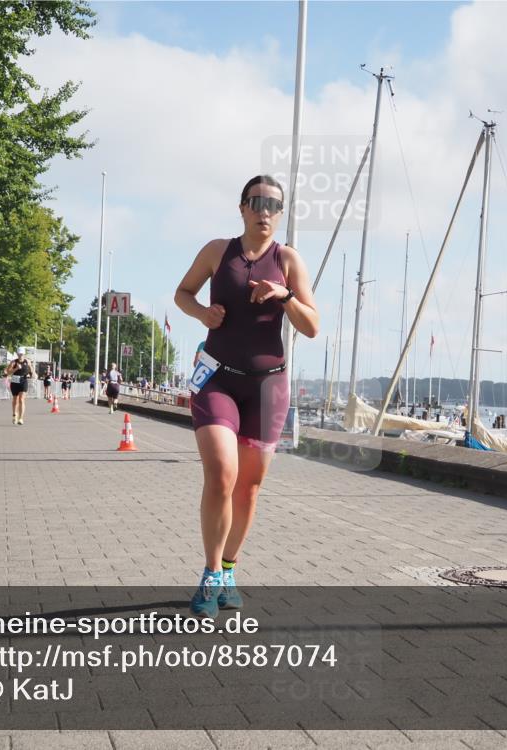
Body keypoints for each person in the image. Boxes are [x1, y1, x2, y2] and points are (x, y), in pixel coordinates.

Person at [175, 174, 318, 617]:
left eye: (273, 205)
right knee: (222, 474)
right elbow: (183, 293)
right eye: (256, 202)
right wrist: (203, 313)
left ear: (281, 214)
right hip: (217, 377)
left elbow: (311, 326)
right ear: (241, 208)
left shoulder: (288, 259)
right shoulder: (218, 251)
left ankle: (231, 568)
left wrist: (285, 295)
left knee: (249, 489)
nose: (264, 211)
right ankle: (211, 573)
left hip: (267, 387)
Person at [5, 347, 34, 425]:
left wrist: (32, 374)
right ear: (17, 354)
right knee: (15, 400)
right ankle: (14, 414)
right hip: (15, 382)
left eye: (22, 354)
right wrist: (16, 368)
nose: (21, 355)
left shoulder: (27, 361)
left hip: (23, 381)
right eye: (19, 354)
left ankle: (21, 418)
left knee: (21, 399)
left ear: (24, 354)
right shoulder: (13, 362)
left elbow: (32, 371)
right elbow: (8, 372)